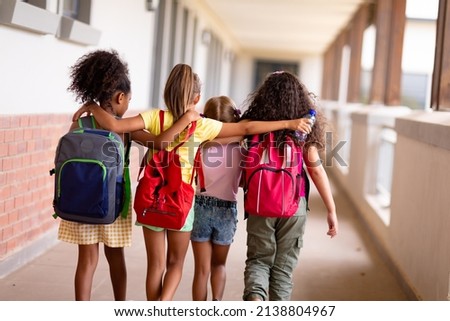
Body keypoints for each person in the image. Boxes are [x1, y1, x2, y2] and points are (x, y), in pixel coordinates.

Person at [72, 63, 313, 301]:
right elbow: (247, 128)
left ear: (166, 92)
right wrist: (288, 124)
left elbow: (115, 124)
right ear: (197, 98)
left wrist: (92, 106)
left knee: (155, 266)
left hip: (151, 199)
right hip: (181, 202)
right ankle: (161, 307)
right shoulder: (202, 125)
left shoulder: (153, 116)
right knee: (175, 263)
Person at [61, 50, 199, 301]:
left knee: (87, 260)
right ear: (120, 97)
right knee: (115, 258)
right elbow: (159, 144)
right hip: (113, 201)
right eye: (127, 100)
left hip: (80, 201)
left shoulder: (79, 124)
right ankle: (120, 306)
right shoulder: (126, 131)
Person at [240, 70, 339, 301]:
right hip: (293, 206)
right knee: (283, 269)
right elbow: (315, 169)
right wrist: (331, 209)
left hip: (259, 203)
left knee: (258, 261)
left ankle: (255, 298)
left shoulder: (254, 126)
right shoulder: (303, 128)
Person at [191, 96, 242, 301]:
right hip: (227, 210)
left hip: (200, 207)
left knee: (201, 270)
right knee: (219, 265)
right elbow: (243, 182)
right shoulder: (241, 151)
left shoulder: (198, 147)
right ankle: (217, 305)